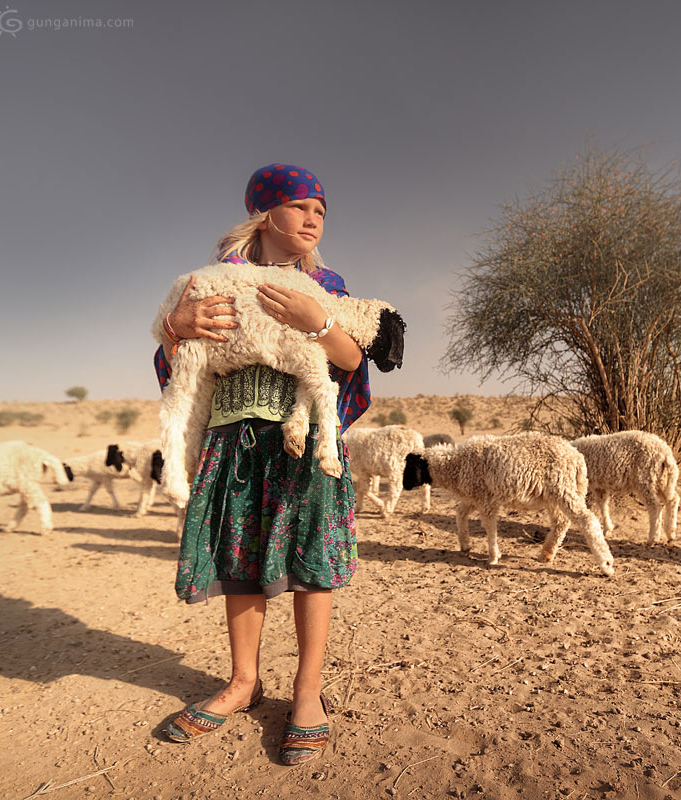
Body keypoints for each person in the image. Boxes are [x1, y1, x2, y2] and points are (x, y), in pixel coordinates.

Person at [154, 163, 376, 765]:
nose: (313, 219)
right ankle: (243, 683)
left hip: (301, 436)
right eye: (301, 206)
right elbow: (176, 359)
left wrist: (320, 322)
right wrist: (174, 328)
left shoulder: (326, 282)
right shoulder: (211, 281)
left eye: (320, 212)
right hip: (233, 440)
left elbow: (354, 360)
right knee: (240, 558)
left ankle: (307, 693)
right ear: (266, 213)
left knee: (311, 559)